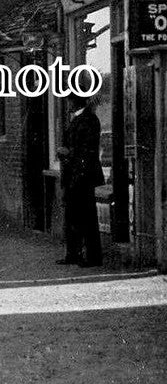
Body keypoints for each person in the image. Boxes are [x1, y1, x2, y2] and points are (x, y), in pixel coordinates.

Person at [57, 92, 105, 267]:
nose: (67, 104)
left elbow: (88, 150)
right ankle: (74, 254)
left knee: (86, 217)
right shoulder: (78, 119)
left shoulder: (89, 120)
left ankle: (92, 256)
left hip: (83, 177)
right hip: (74, 176)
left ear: (75, 101)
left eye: (69, 100)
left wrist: (68, 153)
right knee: (72, 216)